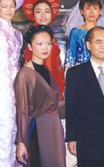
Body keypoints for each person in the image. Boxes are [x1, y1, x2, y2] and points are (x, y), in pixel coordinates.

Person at [65, 26, 104, 167]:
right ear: (88, 45)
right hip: (88, 141)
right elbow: (71, 108)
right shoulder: (75, 74)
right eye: (99, 42)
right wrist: (71, 137)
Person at [14, 25, 66, 167]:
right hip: (39, 129)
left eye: (49, 43)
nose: (45, 48)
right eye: (40, 44)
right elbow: (22, 111)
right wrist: (21, 142)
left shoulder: (44, 69)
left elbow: (54, 102)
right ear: (30, 46)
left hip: (54, 127)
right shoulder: (25, 74)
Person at [22, 0, 65, 100]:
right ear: (33, 14)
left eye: (47, 11)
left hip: (54, 86)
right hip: (39, 87)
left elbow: (57, 65)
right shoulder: (30, 37)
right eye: (38, 12)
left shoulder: (52, 37)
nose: (43, 15)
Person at [0, 0, 24, 167]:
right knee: (4, 128)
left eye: (11, 6)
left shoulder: (18, 34)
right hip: (1, 85)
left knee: (15, 128)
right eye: (4, 6)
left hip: (15, 84)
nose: (8, 10)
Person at [64, 0, 104, 68]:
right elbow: (71, 56)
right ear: (81, 11)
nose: (91, 12)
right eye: (88, 8)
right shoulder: (76, 32)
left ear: (100, 11)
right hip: (81, 71)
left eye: (95, 8)